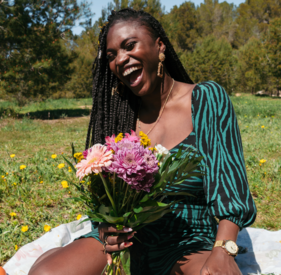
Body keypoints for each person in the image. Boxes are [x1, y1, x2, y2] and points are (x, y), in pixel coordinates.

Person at [29, 8, 256, 275]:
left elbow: (229, 187)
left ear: (160, 46)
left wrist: (223, 250)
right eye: (112, 56)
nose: (121, 59)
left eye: (129, 45)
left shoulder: (205, 100)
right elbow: (106, 195)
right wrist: (105, 229)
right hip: (128, 237)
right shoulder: (120, 114)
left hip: (188, 239)